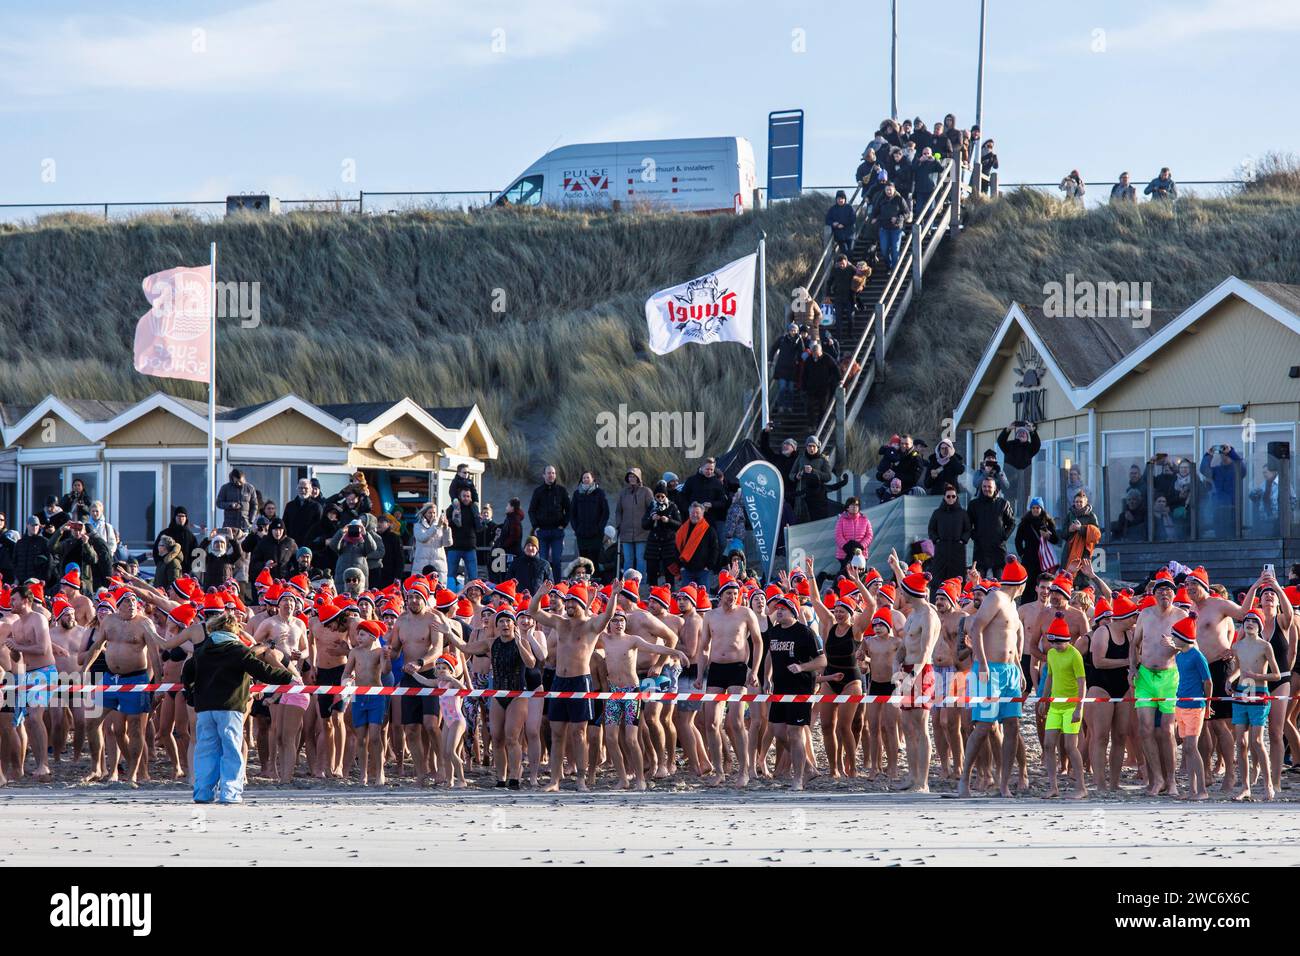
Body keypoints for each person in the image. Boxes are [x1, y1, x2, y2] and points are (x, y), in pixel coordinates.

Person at [181, 608, 296, 804]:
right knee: (231, 750)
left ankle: (202, 792)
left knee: (206, 750)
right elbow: (263, 670)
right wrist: (288, 676)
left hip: (205, 708)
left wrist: (192, 695)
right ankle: (230, 793)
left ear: (212, 630)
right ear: (234, 630)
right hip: (230, 707)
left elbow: (186, 674)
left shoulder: (201, 651)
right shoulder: (238, 650)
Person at [1131, 575, 1185, 797]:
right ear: (1154, 594)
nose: (1165, 594)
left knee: (1167, 730)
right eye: (1161, 590)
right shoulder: (1145, 614)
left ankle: (1171, 781)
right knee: (1144, 729)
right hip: (1145, 676)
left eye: (1169, 590)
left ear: (1174, 594)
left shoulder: (1180, 615)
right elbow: (1135, 644)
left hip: (1168, 677)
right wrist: (1132, 668)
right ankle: (1157, 779)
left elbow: (1191, 647)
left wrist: (1176, 646)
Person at [1041, 611, 1088, 799]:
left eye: (1059, 642)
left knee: (1070, 746)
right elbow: (1050, 678)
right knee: (1048, 744)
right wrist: (1044, 700)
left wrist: (1079, 707)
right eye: (1053, 642)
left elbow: (1082, 682)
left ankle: (1081, 787)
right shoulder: (1052, 653)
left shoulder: (1074, 654)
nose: (1056, 646)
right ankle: (1053, 786)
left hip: (1071, 705)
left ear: (1067, 640)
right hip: (1055, 705)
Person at [1171, 614, 1211, 801]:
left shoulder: (1197, 655)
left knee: (1191, 747)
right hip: (1181, 703)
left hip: (1195, 705)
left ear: (1183, 637)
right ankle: (1192, 790)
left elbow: (1208, 681)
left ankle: (1202, 790)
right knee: (1186, 749)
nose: (1172, 639)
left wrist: (1207, 703)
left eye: (1175, 636)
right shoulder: (1180, 656)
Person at [528, 464, 569, 581]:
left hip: (557, 531)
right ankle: (543, 586)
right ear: (544, 475)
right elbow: (532, 510)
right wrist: (536, 526)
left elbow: (569, 509)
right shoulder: (538, 491)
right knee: (543, 561)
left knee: (556, 560)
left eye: (553, 473)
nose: (551, 475)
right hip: (542, 532)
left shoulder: (561, 491)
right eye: (549, 473)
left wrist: (563, 524)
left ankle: (557, 586)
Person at [967, 476, 1015, 577]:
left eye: (989, 486)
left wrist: (1004, 536)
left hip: (998, 550)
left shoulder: (1003, 503)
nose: (986, 489)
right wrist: (975, 536)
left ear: (994, 488)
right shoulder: (973, 504)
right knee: (979, 584)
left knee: (999, 583)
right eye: (984, 486)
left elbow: (1011, 523)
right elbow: (967, 524)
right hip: (980, 550)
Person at [927, 485, 971, 583]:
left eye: (953, 496)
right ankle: (938, 597)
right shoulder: (937, 513)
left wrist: (962, 540)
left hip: (957, 549)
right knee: (939, 577)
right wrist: (936, 540)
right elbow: (931, 529)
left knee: (957, 577)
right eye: (948, 496)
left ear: (956, 497)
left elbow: (968, 529)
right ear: (944, 497)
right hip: (941, 549)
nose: (951, 498)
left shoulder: (962, 513)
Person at [613, 468, 652, 576]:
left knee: (640, 559)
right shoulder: (623, 493)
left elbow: (651, 509)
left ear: (639, 477)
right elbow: (618, 511)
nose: (632, 479)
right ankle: (626, 584)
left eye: (634, 476)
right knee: (628, 560)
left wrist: (648, 524)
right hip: (626, 532)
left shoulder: (646, 491)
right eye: (630, 476)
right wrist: (619, 525)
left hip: (642, 531)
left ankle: (641, 582)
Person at [1199, 443, 1243, 538]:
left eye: (1227, 455)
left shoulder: (1237, 469)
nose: (1225, 457)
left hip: (1234, 508)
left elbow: (1242, 467)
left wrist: (1231, 452)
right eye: (1223, 454)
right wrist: (1208, 455)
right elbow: (1204, 470)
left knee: (1234, 537)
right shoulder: (1216, 470)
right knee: (1219, 537)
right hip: (1218, 509)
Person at [570, 470, 610, 574]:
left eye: (588, 477)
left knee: (595, 559)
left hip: (596, 534)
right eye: (584, 478)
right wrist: (576, 528)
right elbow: (572, 513)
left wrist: (599, 528)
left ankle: (596, 582)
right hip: (581, 534)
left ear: (593, 479)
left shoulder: (599, 493)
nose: (586, 480)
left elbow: (605, 512)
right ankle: (585, 582)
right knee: (583, 560)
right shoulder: (577, 494)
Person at [642, 482, 681, 585]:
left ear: (666, 496)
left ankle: (670, 594)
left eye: (662, 496)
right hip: (653, 543)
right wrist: (651, 519)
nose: (660, 498)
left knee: (669, 572)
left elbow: (679, 524)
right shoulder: (651, 506)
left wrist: (668, 520)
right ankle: (653, 594)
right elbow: (644, 524)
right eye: (657, 496)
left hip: (668, 543)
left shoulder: (672, 506)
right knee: (652, 572)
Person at [789, 435, 834, 523]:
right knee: (800, 519)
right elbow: (791, 474)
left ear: (817, 447)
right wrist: (796, 476)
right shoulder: (801, 458)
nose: (811, 448)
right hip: (801, 494)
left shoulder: (823, 460)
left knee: (816, 519)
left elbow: (828, 477)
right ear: (806, 447)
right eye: (809, 446)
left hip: (817, 496)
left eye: (814, 446)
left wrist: (814, 471)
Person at [1014, 496, 1059, 585]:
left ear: (1041, 508)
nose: (1035, 510)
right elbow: (1018, 540)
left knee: (1042, 584)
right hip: (1029, 558)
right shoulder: (1025, 522)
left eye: (1037, 508)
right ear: (1030, 509)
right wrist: (1022, 553)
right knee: (1028, 584)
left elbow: (1056, 540)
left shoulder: (1048, 522)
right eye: (1033, 508)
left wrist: (1048, 537)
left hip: (1043, 559)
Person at [675, 503, 719, 589]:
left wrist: (709, 566)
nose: (695, 515)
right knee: (686, 598)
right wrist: (681, 566)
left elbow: (715, 549)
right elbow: (677, 548)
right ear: (689, 514)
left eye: (697, 513)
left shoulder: (709, 530)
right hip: (687, 570)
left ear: (702, 514)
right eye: (692, 513)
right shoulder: (682, 530)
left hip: (703, 570)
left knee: (703, 598)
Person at [444, 487, 481, 585]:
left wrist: (480, 520)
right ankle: (450, 595)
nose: (466, 498)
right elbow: (445, 525)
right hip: (454, 546)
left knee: (473, 576)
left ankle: (473, 597)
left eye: (468, 496)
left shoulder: (474, 509)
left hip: (470, 547)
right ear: (459, 497)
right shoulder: (452, 508)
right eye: (464, 496)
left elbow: (479, 528)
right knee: (450, 574)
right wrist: (453, 518)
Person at [871, 181, 911, 270]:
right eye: (887, 190)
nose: (889, 191)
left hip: (896, 228)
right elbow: (875, 211)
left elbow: (907, 213)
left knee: (895, 250)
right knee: (884, 250)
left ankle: (894, 269)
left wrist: (898, 218)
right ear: (885, 190)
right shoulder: (881, 199)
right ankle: (888, 266)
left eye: (890, 190)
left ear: (894, 189)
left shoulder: (899, 199)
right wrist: (874, 218)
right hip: (884, 228)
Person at [411, 503, 452, 578]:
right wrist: (437, 526)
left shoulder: (440, 526)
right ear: (424, 513)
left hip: (438, 565)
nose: (432, 515)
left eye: (434, 513)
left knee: (438, 589)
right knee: (421, 587)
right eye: (430, 512)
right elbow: (423, 538)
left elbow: (447, 543)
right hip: (421, 565)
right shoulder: (418, 526)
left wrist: (446, 528)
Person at [156, 506, 199, 575]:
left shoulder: (190, 536)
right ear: (175, 517)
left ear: (186, 518)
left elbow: (196, 553)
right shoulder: (166, 533)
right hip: (166, 571)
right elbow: (156, 551)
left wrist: (189, 569)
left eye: (183, 516)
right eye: (179, 516)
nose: (181, 518)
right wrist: (161, 566)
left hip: (185, 572)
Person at [771, 322, 804, 414]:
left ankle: (789, 407)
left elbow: (802, 351)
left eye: (795, 330)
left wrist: (800, 340)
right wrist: (770, 359)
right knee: (782, 389)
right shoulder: (782, 339)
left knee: (790, 390)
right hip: (782, 368)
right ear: (788, 331)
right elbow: (774, 348)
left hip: (792, 369)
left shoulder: (798, 340)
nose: (793, 332)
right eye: (792, 330)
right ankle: (781, 406)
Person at [282, 478, 323, 550]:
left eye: (306, 488)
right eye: (300, 488)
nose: (303, 490)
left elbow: (320, 528)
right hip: (291, 546)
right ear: (297, 489)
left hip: (309, 547)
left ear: (310, 490)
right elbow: (284, 525)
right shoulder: (290, 506)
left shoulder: (316, 507)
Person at [834, 497, 872, 570]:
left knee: (862, 576)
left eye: (857, 505)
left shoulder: (865, 519)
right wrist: (846, 546)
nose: (855, 507)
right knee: (845, 577)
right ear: (847, 507)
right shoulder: (841, 520)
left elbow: (869, 535)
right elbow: (838, 536)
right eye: (852, 505)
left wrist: (861, 546)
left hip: (861, 554)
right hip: (844, 554)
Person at [825, 189, 856, 255]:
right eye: (839, 198)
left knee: (850, 252)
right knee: (844, 252)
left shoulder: (850, 208)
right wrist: (833, 224)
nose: (840, 200)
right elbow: (827, 220)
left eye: (842, 198)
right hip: (839, 236)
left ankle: (849, 265)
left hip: (850, 234)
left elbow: (853, 219)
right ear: (836, 199)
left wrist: (843, 224)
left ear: (845, 199)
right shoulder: (832, 209)